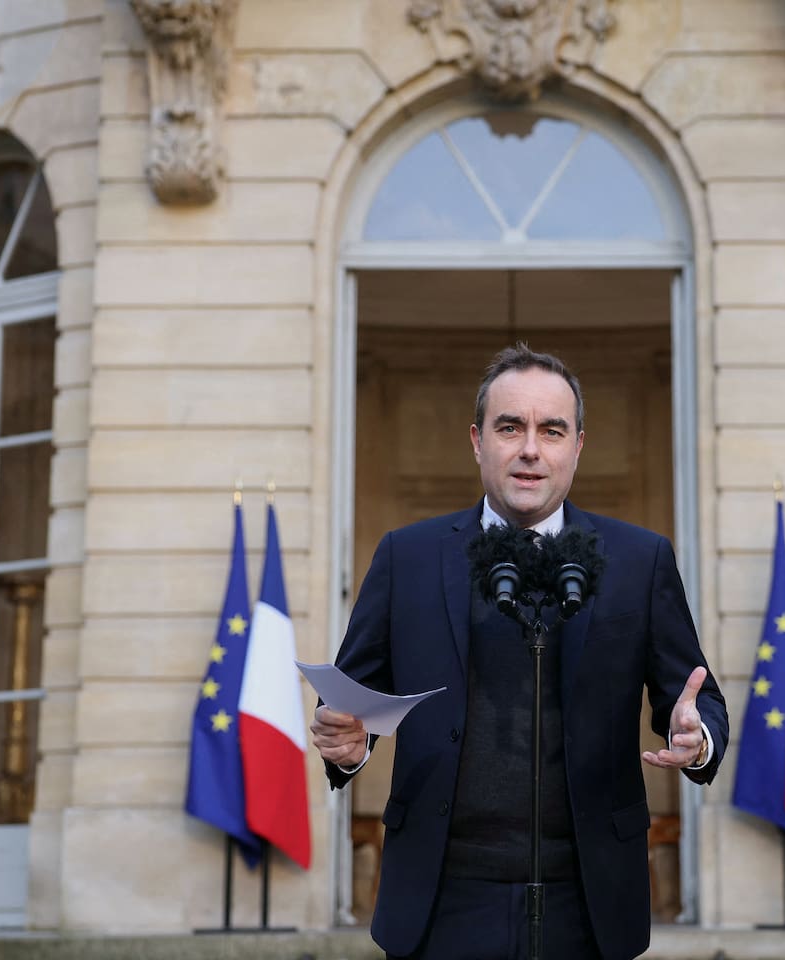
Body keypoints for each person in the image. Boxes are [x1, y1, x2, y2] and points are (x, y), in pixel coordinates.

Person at [312, 343, 728, 960]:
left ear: (577, 446)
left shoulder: (640, 560)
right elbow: (352, 701)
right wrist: (348, 746)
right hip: (440, 897)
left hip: (589, 900)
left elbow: (696, 698)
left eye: (551, 430)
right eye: (510, 428)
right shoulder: (407, 556)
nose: (530, 448)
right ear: (477, 441)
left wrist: (698, 737)